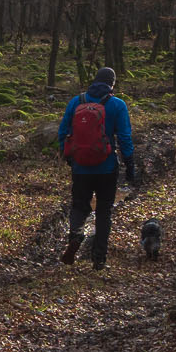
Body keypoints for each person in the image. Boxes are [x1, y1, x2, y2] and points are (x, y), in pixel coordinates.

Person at [57, 66, 135, 269]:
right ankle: (99, 259)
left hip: (81, 167)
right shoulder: (117, 105)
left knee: (79, 206)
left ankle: (75, 235)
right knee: (103, 211)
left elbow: (63, 131)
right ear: (112, 84)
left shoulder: (77, 102)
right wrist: (130, 164)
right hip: (107, 167)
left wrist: (69, 157)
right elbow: (125, 137)